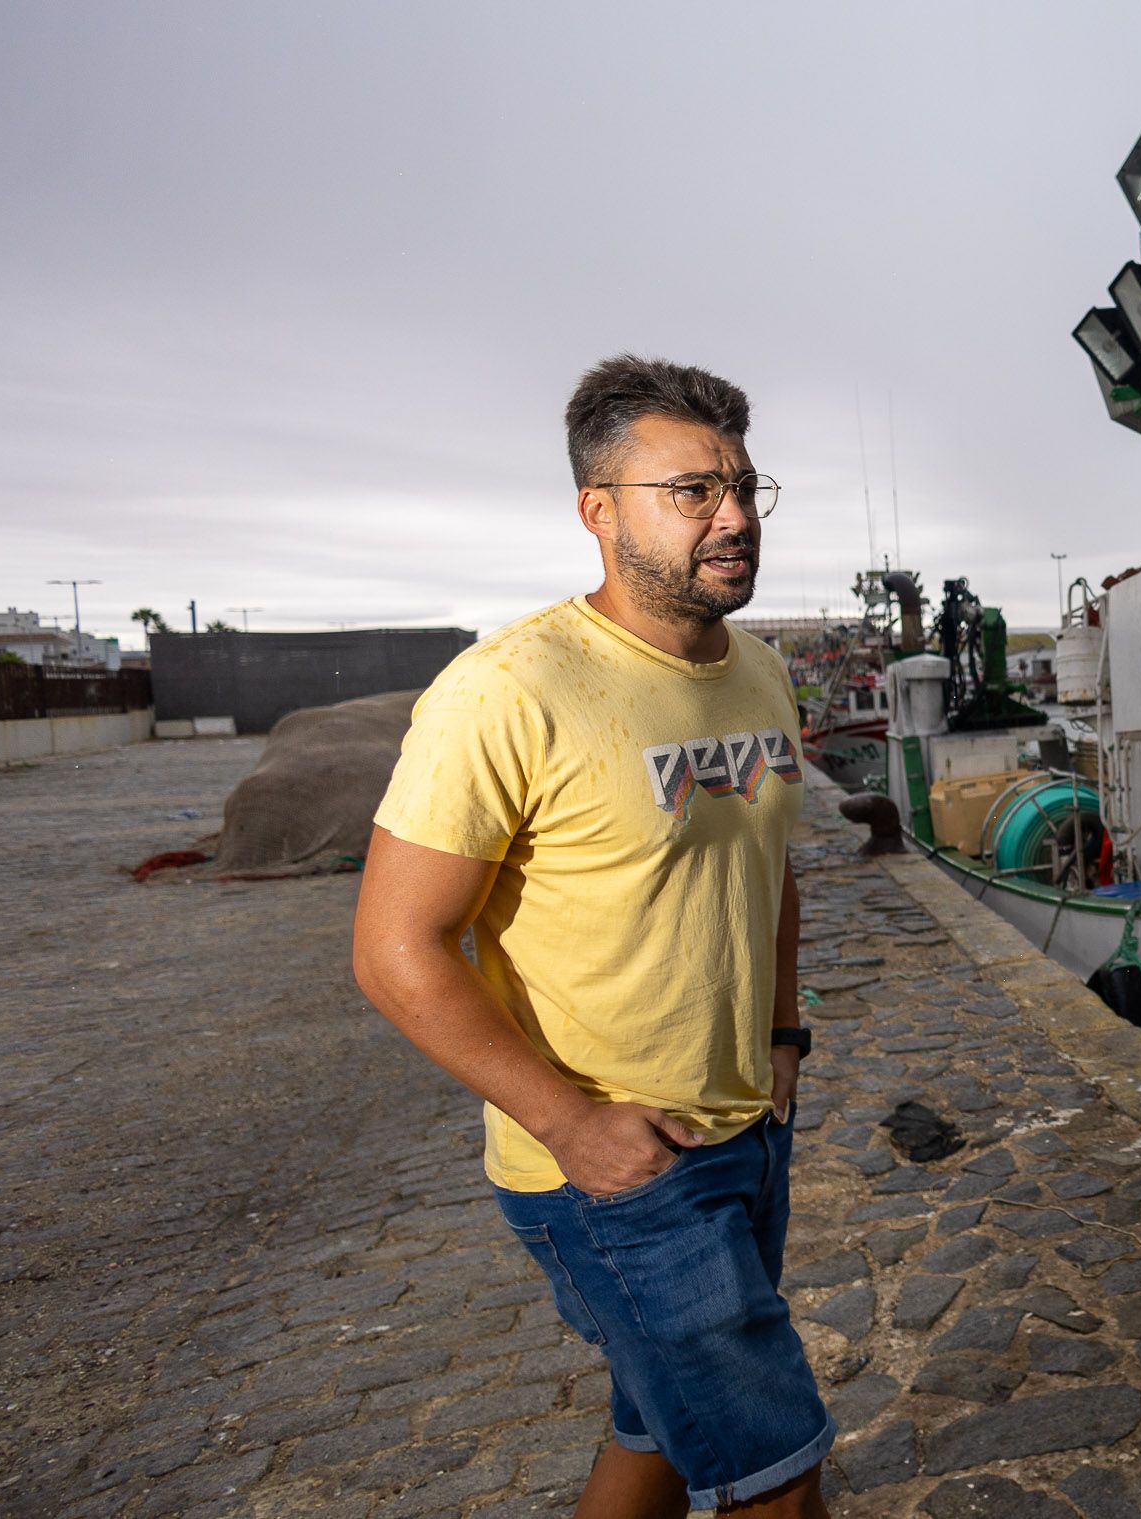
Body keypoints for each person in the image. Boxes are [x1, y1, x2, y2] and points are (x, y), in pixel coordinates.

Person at [352, 355, 829, 1517]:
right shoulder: (505, 691)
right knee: (778, 1473)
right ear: (599, 510)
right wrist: (570, 1122)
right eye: (693, 491)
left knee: (656, 1430)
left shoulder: (760, 672)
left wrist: (782, 1037)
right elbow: (394, 947)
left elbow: (764, 868)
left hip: (741, 1132)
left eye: (746, 488)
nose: (733, 518)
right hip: (618, 1169)